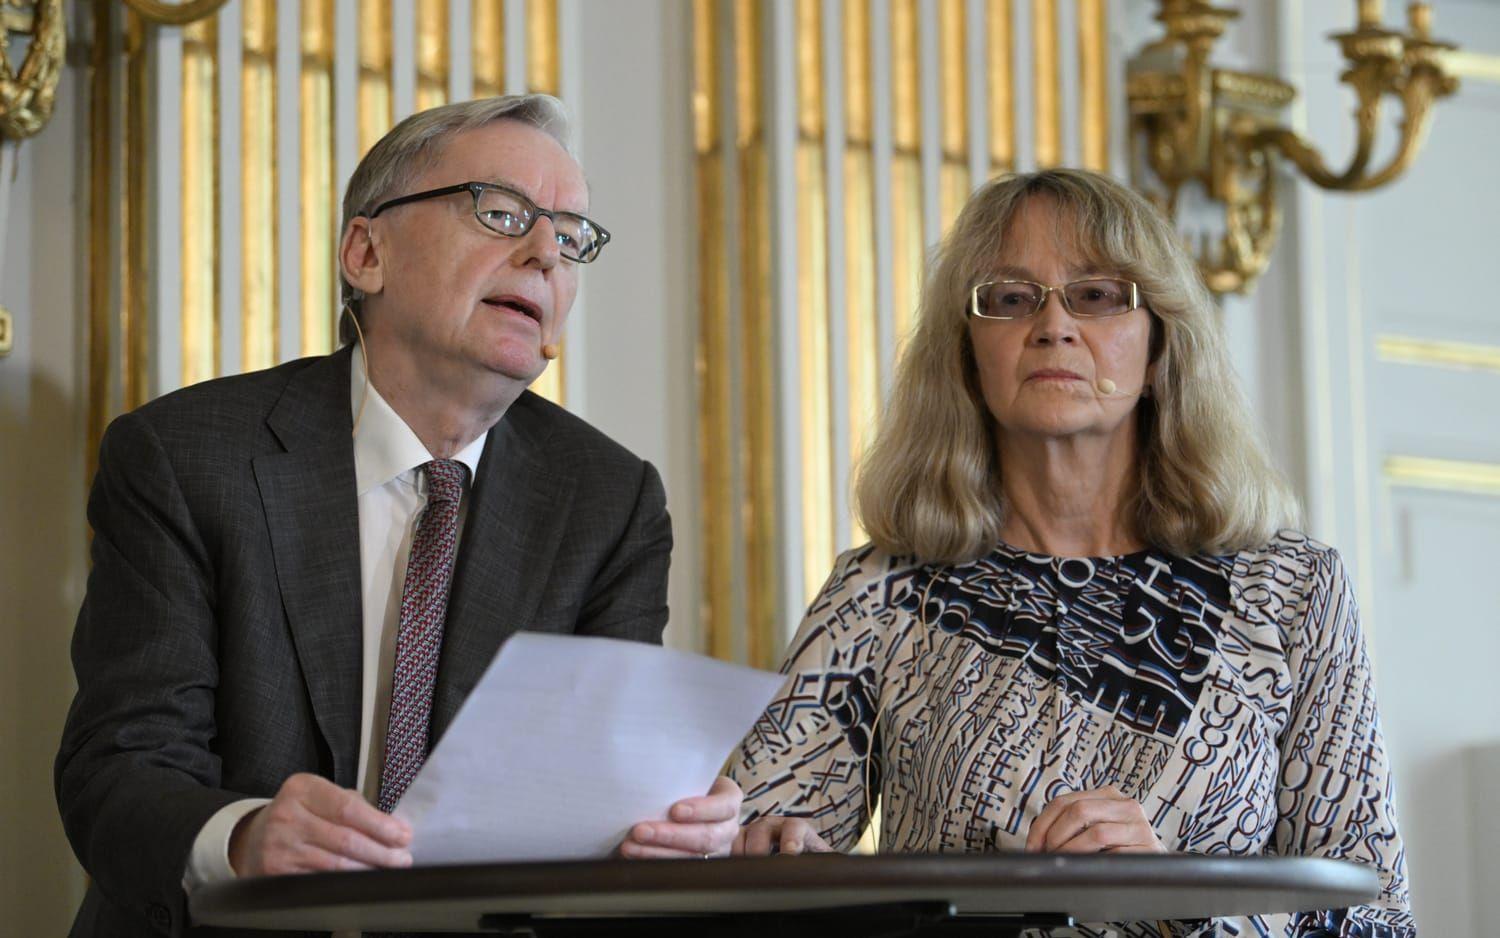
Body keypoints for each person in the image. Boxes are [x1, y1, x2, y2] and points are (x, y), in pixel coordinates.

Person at [55, 94, 738, 937]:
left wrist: (670, 828)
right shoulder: (186, 458)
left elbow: (590, 795)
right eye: (501, 212)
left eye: (569, 238)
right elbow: (119, 768)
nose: (543, 258)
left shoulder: (607, 501)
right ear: (366, 251)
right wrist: (244, 839)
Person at [724, 168, 1414, 937]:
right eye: (1011, 299)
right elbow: (756, 846)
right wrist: (771, 858)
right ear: (967, 354)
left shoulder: (1292, 590)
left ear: (1160, 346)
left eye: (1096, 295)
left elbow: (1379, 917)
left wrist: (1175, 901)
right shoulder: (881, 591)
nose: (1053, 326)